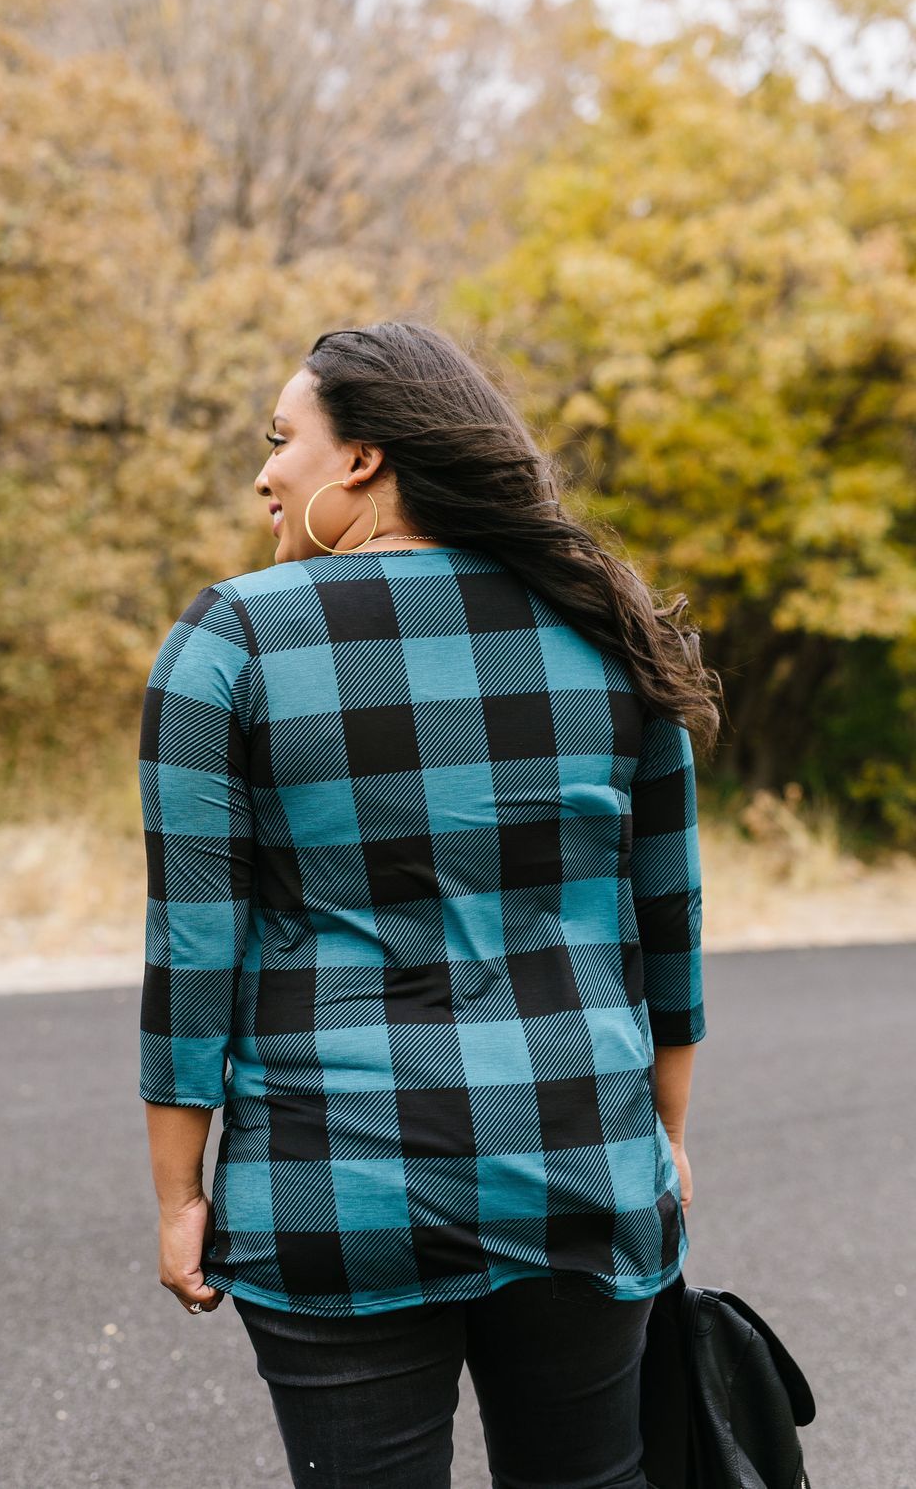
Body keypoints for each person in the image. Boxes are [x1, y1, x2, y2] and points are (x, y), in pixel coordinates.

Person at [138, 321, 721, 1489]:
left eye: (281, 440)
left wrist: (178, 1197)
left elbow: (194, 947)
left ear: (361, 460)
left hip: (332, 1183)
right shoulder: (608, 624)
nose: (265, 472)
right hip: (578, 1163)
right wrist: (664, 1138)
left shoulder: (234, 640)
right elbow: (670, 924)